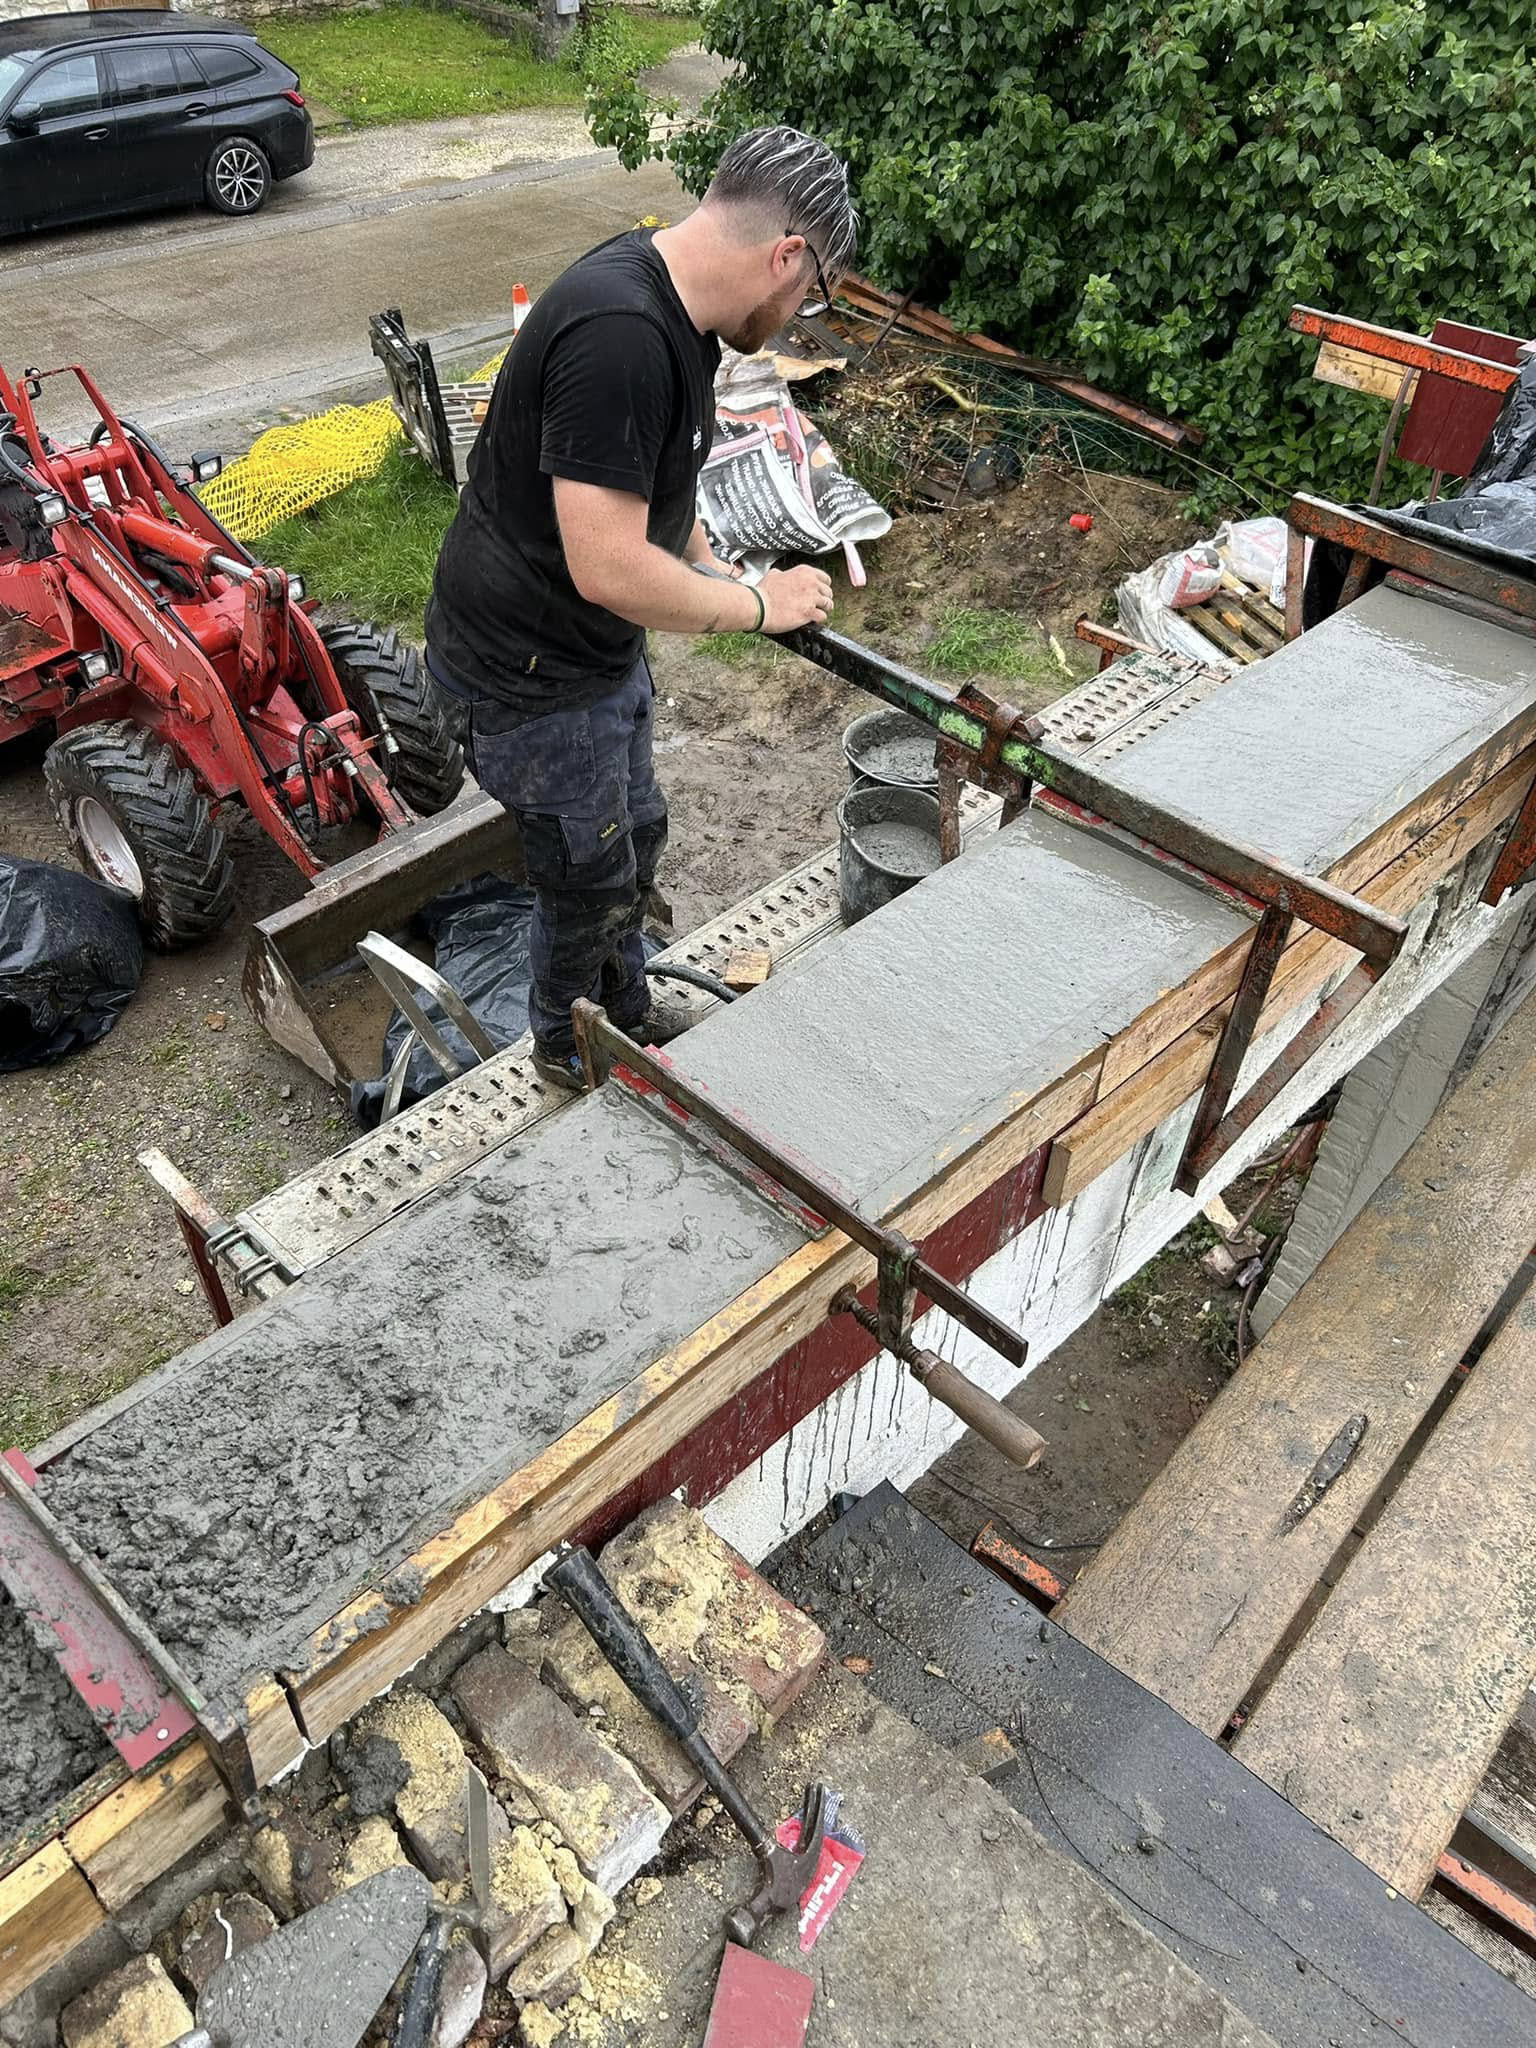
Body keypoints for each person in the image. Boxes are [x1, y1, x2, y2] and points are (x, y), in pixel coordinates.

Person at [425, 126, 857, 1090]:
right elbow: (611, 568)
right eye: (811, 295)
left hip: (586, 652)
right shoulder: (619, 333)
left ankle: (623, 1008)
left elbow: (663, 483)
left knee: (633, 833)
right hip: (523, 669)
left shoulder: (682, 316)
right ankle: (567, 1053)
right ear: (786, 255)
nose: (797, 319)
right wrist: (756, 604)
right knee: (584, 870)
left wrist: (716, 565)